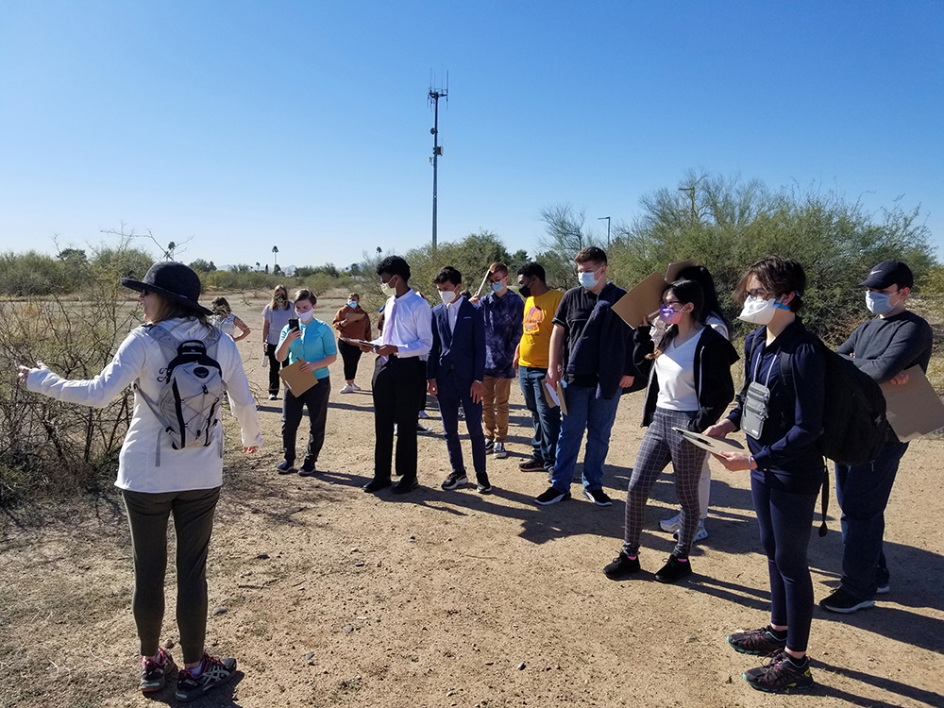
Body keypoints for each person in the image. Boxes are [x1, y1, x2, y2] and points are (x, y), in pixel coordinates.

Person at [17, 262, 261, 702]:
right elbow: (243, 400)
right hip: (202, 474)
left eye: (145, 293)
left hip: (145, 476)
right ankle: (193, 669)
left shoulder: (144, 342)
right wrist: (250, 439)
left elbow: (97, 394)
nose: (140, 299)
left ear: (165, 298)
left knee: (147, 573)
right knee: (192, 573)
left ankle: (151, 664)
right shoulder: (220, 340)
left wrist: (42, 380)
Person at [706, 257, 823, 693]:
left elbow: (808, 428)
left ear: (787, 296)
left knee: (792, 562)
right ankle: (777, 629)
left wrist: (756, 460)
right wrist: (727, 423)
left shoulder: (806, 351)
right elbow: (748, 395)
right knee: (771, 550)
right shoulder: (757, 342)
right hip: (761, 464)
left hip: (792, 472)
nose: (750, 299)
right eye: (749, 292)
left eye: (759, 292)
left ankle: (796, 661)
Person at [603, 279, 737, 583]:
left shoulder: (709, 342)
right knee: (637, 488)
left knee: (687, 497)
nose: (663, 309)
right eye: (663, 302)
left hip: (688, 424)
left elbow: (723, 392)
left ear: (689, 307)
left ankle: (680, 558)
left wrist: (698, 424)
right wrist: (640, 334)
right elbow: (642, 368)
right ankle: (630, 555)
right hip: (660, 419)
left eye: (670, 304)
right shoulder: (666, 335)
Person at [819, 260, 933, 613]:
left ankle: (859, 588)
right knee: (853, 506)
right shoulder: (867, 326)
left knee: (859, 509)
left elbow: (879, 369)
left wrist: (867, 366)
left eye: (881, 292)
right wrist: (866, 367)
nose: (873, 297)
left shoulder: (914, 329)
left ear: (904, 293)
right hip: (851, 426)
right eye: (869, 291)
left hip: (885, 432)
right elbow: (833, 363)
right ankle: (877, 573)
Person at [534, 246, 637, 507]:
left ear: (603, 269)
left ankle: (593, 485)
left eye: (588, 271)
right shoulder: (571, 297)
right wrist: (552, 367)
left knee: (600, 434)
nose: (583, 276)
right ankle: (560, 485)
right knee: (569, 433)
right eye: (580, 271)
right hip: (575, 379)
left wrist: (628, 371)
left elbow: (634, 339)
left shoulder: (622, 299)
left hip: (608, 381)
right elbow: (558, 333)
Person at [658, 265, 730, 543]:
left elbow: (717, 380)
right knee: (686, 471)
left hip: (697, 410)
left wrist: (703, 419)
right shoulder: (683, 324)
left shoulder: (713, 326)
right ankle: (689, 514)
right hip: (673, 409)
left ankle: (698, 521)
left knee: (698, 469)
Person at [358, 256, 433, 494]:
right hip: (383, 367)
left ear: (396, 277)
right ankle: (381, 474)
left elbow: (426, 344)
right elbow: (388, 337)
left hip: (407, 369)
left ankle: (408, 476)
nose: (383, 283)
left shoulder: (419, 305)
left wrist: (398, 350)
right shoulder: (390, 303)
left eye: (384, 279)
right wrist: (371, 343)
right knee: (382, 422)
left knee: (407, 424)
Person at [428, 267, 491, 493]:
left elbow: (480, 349)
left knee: (474, 428)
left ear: (458, 287)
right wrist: (431, 376)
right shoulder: (435, 312)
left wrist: (478, 380)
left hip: (469, 381)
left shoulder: (473, 311)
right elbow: (433, 348)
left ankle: (481, 474)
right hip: (445, 378)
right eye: (439, 289)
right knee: (449, 428)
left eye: (446, 289)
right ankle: (458, 472)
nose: (442, 293)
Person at [275, 289, 337, 476]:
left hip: (318, 380)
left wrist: (315, 365)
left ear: (313, 306)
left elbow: (332, 356)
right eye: (299, 308)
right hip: (295, 378)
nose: (302, 311)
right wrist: (287, 339)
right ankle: (289, 458)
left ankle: (310, 461)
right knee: (289, 421)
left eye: (306, 307)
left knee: (316, 422)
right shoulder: (288, 329)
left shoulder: (322, 328)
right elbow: (279, 356)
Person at [514, 262, 563, 474]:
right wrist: (518, 352)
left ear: (535, 279)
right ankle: (539, 455)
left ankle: (553, 460)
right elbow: (527, 331)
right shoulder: (529, 301)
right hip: (526, 367)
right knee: (535, 412)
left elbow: (563, 335)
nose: (521, 287)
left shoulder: (557, 299)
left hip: (545, 370)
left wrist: (558, 364)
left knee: (548, 415)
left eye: (523, 282)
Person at [474, 262, 524, 459]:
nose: (495, 283)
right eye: (492, 281)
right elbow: (477, 326)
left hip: (505, 362)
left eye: (498, 280)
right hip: (486, 361)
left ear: (506, 279)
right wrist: (472, 306)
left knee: (502, 403)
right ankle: (488, 435)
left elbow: (519, 332)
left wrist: (509, 356)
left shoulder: (516, 302)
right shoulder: (485, 302)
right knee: (486, 402)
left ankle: (500, 440)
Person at [332, 292, 372, 394]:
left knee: (354, 362)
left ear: (358, 300)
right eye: (350, 298)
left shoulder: (363, 313)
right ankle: (348, 384)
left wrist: (368, 341)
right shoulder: (342, 311)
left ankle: (352, 381)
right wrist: (342, 323)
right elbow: (335, 324)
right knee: (348, 361)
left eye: (354, 299)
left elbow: (367, 328)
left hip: (358, 342)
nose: (351, 301)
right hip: (345, 341)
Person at [261, 285, 295, 400]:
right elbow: (266, 326)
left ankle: (290, 390)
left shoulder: (291, 307)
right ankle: (273, 392)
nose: (280, 295)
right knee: (274, 368)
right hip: (273, 342)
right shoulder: (269, 308)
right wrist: (264, 341)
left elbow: (297, 322)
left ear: (286, 294)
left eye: (282, 293)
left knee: (288, 367)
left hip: (288, 342)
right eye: (278, 293)